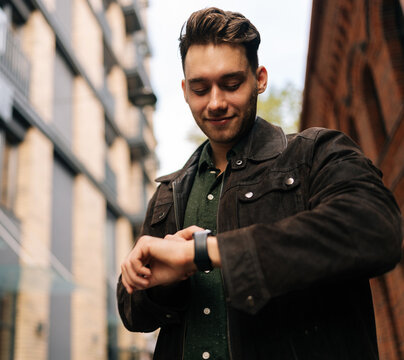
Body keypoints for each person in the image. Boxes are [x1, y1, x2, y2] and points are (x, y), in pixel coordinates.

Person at [117, 7, 402, 360]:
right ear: (185, 91)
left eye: (231, 84)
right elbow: (133, 315)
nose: (216, 102)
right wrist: (161, 284)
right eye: (200, 88)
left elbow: (376, 230)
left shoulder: (316, 152)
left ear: (260, 79)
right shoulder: (169, 192)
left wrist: (206, 251)